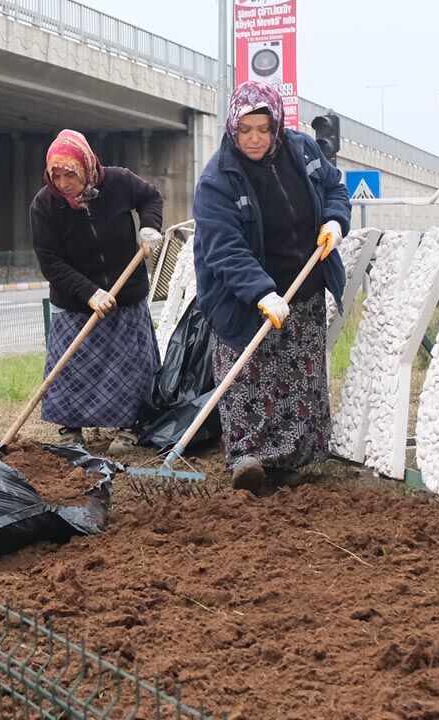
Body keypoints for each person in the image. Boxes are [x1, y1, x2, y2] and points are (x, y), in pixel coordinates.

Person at [192, 81, 350, 493]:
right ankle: (248, 459)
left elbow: (334, 186)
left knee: (299, 375)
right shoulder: (217, 180)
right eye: (245, 130)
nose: (255, 139)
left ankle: (292, 460)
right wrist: (261, 292)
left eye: (262, 128)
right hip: (243, 296)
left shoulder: (302, 150)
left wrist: (334, 220)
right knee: (248, 375)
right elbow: (223, 247)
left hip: (304, 286)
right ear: (232, 128)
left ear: (277, 124)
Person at [30, 129, 164, 454]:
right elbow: (50, 261)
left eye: (70, 174)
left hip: (126, 295)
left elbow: (151, 197)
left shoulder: (118, 182)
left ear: (86, 167)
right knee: (71, 366)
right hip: (75, 301)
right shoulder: (45, 205)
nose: (63, 184)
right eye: (56, 175)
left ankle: (129, 426)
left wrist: (149, 225)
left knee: (128, 366)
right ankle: (70, 429)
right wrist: (89, 292)